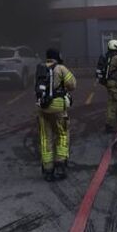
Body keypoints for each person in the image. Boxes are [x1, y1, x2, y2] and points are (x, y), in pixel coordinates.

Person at [36, 48, 76, 182]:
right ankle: (60, 166)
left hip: (42, 108)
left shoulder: (40, 68)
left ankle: (48, 170)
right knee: (62, 135)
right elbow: (72, 84)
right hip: (58, 109)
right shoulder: (60, 68)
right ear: (57, 56)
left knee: (45, 138)